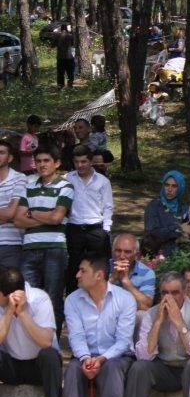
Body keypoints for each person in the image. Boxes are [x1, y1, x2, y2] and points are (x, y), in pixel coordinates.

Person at [56, 255, 137, 397]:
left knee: (112, 368)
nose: (77, 275)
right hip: (86, 355)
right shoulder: (73, 300)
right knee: (73, 369)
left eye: (83, 271)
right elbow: (76, 336)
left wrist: (101, 359)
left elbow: (123, 340)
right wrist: (86, 358)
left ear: (99, 275)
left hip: (117, 356)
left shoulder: (125, 299)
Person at [14, 143, 73, 335]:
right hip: (29, 248)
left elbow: (57, 218)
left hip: (55, 249)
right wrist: (46, 216)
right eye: (38, 161)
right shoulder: (29, 186)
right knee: (27, 297)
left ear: (57, 163)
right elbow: (18, 220)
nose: (42, 165)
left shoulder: (65, 186)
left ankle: (52, 344)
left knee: (53, 298)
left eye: (46, 160)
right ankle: (30, 341)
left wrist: (32, 212)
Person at [0, 266, 62, 397]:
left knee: (50, 356)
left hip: (38, 367)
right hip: (13, 365)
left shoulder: (39, 299)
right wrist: (9, 313)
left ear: (9, 295)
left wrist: (23, 313)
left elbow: (46, 341)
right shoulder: (3, 306)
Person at [64, 145, 113, 294]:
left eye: (83, 161)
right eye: (76, 162)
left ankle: (99, 295)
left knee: (98, 265)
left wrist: (106, 229)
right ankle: (72, 297)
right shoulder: (68, 179)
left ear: (91, 162)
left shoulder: (102, 181)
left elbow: (108, 206)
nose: (80, 165)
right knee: (74, 266)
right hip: (74, 227)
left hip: (95, 228)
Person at [143, 170, 190, 258]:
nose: (169, 189)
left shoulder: (184, 209)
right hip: (160, 257)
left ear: (180, 188)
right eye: (167, 185)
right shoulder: (154, 206)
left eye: (174, 186)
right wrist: (178, 229)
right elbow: (151, 234)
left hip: (182, 257)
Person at [108, 233, 157, 311]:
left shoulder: (147, 273)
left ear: (136, 255)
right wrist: (112, 279)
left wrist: (126, 282)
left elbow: (146, 306)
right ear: (112, 251)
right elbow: (90, 298)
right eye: (118, 251)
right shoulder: (102, 267)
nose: (122, 256)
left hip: (132, 313)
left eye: (127, 252)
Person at [0, 139, 27, 269]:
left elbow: (12, 213)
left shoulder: (19, 178)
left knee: (10, 281)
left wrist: (10, 214)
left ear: (10, 158)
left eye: (1, 153)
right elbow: (8, 213)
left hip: (11, 243)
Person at [55, 23, 75, 90]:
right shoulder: (70, 36)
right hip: (69, 56)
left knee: (60, 72)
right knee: (70, 71)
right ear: (66, 29)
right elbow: (73, 44)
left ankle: (60, 85)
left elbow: (53, 45)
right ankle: (70, 85)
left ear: (61, 29)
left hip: (60, 56)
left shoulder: (57, 36)